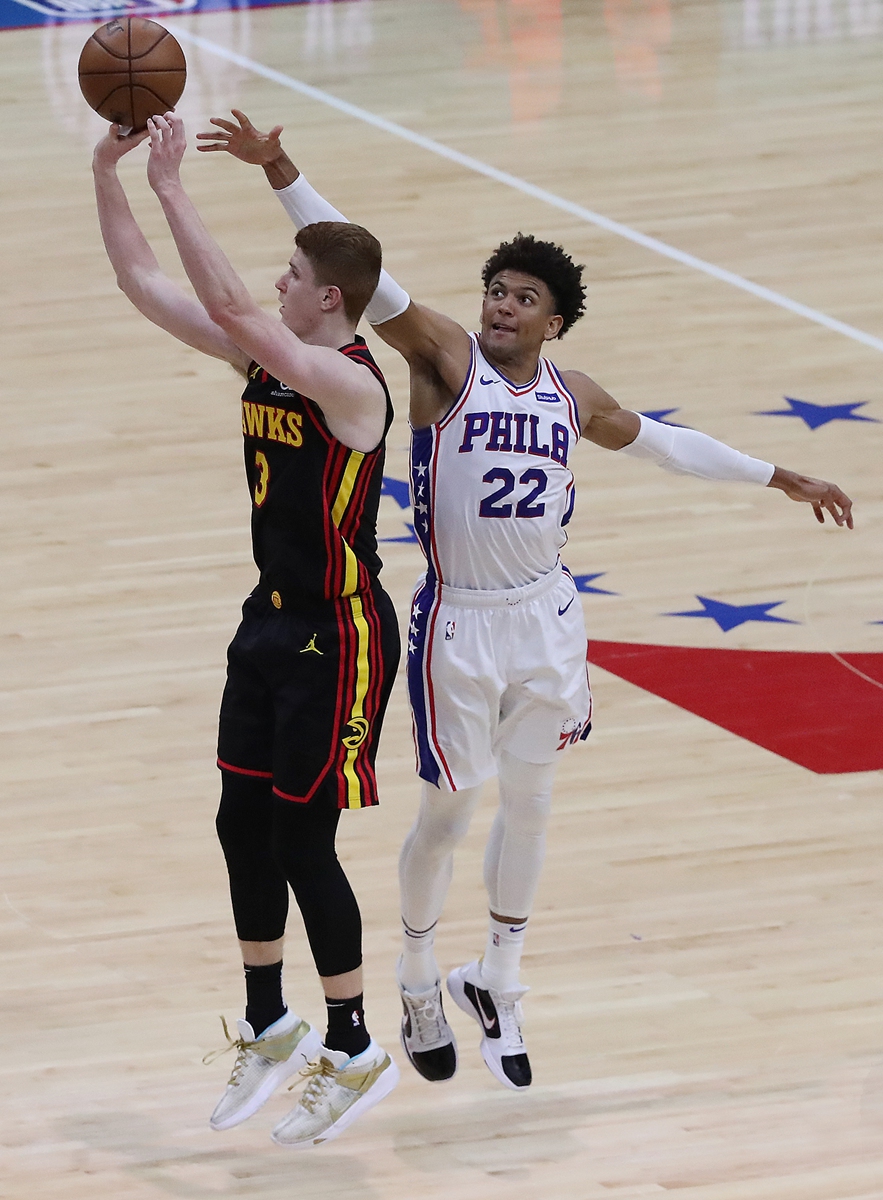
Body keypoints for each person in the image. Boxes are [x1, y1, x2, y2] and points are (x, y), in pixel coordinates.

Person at [197, 111, 854, 1093]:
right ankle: (417, 976)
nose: (501, 307)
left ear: (556, 321)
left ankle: (497, 975)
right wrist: (280, 168)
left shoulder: (573, 394)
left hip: (547, 617)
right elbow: (358, 269)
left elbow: (670, 444)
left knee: (536, 804)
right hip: (458, 620)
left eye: (523, 298)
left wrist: (778, 477)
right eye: (494, 292)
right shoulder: (444, 360)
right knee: (450, 814)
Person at [92, 112, 401, 1147]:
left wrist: (177, 185)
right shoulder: (269, 364)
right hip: (268, 625)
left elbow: (229, 300)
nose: (276, 284)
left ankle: (355, 1045)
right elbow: (150, 290)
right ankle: (270, 1021)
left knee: (304, 840)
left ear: (330, 297)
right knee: (239, 824)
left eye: (291, 272)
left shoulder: (351, 384)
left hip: (341, 636)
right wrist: (111, 175)